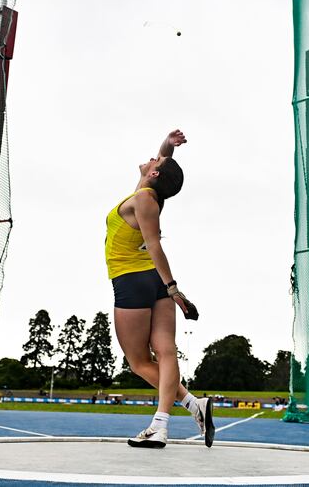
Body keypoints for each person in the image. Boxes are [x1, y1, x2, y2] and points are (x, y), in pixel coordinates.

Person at [105, 129, 214, 449]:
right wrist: (169, 144)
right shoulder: (148, 195)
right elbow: (163, 166)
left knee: (139, 361)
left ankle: (180, 413)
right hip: (152, 281)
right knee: (165, 352)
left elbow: (154, 246)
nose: (152, 157)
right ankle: (172, 419)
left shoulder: (143, 199)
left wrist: (174, 289)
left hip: (132, 280)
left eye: (156, 159)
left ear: (153, 173)